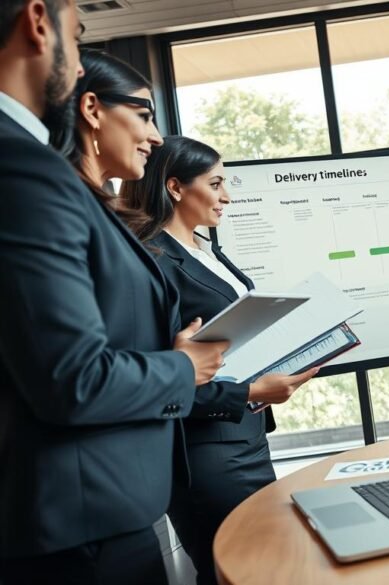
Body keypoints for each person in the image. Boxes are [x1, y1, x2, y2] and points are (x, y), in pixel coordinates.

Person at [0, 12, 225, 585]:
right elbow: (70, 379)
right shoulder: (26, 168)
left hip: (96, 512)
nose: (156, 137)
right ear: (36, 22)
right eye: (75, 36)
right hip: (78, 528)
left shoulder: (70, 189)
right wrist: (181, 366)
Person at [120, 135, 318, 585]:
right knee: (239, 570)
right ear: (175, 187)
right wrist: (249, 391)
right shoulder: (153, 260)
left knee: (265, 567)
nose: (226, 195)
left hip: (242, 437)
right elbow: (165, 372)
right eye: (216, 183)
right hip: (204, 452)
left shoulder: (206, 249)